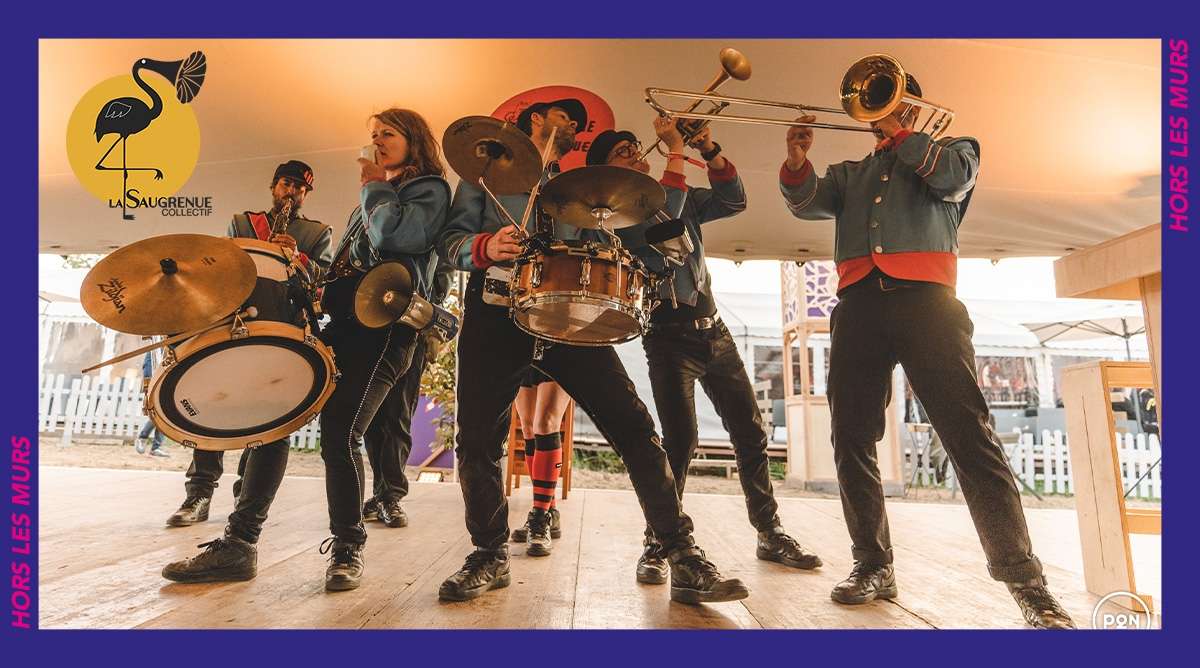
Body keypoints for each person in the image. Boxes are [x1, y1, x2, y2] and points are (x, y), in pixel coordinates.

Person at [779, 73, 1074, 629]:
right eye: (876, 102)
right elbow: (806, 202)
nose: (878, 110)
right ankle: (873, 564)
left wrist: (901, 132)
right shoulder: (850, 173)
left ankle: (1027, 585)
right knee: (851, 438)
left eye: (891, 100)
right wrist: (796, 163)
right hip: (859, 305)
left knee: (970, 439)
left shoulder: (956, 150)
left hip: (929, 304)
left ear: (912, 107)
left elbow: (952, 181)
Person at [437, 98, 747, 604]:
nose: (573, 127)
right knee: (476, 441)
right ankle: (489, 554)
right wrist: (484, 247)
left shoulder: (573, 189)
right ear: (536, 120)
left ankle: (682, 553)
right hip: (495, 314)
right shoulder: (483, 177)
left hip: (567, 317)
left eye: (578, 124)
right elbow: (447, 242)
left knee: (635, 428)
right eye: (565, 118)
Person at [597, 119, 821, 585]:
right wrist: (678, 152)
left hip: (714, 332)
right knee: (680, 442)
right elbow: (667, 217)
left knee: (750, 432)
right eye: (623, 151)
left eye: (635, 145)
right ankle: (660, 544)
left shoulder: (674, 193)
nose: (636, 152)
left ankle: (769, 532)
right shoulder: (612, 217)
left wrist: (710, 149)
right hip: (666, 338)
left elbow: (734, 200)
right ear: (607, 171)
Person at [315, 107, 451, 591]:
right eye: (373, 134)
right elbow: (353, 255)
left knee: (344, 432)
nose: (377, 141)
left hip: (388, 329)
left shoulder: (429, 190)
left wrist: (374, 185)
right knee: (335, 432)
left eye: (388, 133)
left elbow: (393, 235)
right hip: (349, 324)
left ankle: (349, 546)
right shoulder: (372, 198)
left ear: (414, 140)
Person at [165, 160, 333, 528]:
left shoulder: (317, 233)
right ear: (274, 186)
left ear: (306, 195)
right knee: (212, 405)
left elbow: (323, 279)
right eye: (287, 184)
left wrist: (298, 257)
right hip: (234, 322)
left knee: (264, 415)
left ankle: (246, 496)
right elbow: (221, 267)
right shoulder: (242, 222)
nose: (292, 192)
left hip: (282, 328)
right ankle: (199, 494)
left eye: (300, 188)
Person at [361, 256, 455, 529]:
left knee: (397, 416)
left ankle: (391, 496)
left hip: (413, 329)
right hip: (373, 326)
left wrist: (425, 309)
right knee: (372, 421)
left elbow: (442, 277)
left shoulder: (430, 236)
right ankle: (382, 493)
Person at [507, 370, 571, 556]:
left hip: (561, 353)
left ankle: (540, 518)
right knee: (528, 428)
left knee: (546, 423)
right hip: (524, 353)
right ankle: (549, 512)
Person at [134, 350, 168, 457]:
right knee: (159, 412)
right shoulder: (157, 348)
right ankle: (144, 438)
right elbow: (148, 364)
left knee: (165, 413)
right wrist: (149, 382)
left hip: (168, 380)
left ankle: (155, 446)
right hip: (155, 381)